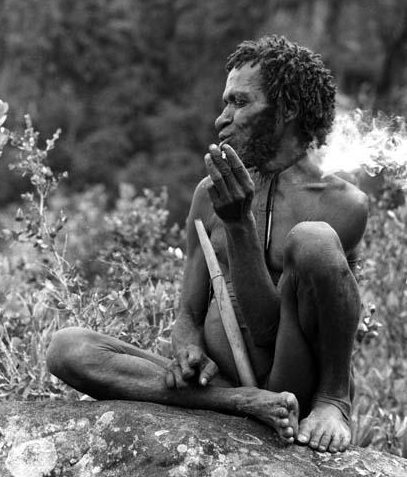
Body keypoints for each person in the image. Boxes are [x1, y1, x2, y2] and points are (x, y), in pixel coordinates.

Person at [46, 35, 368, 454]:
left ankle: (333, 402)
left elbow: (266, 328)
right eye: (225, 104)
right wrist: (187, 346)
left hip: (292, 384)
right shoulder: (209, 193)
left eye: (240, 103)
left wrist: (239, 226)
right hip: (220, 385)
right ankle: (238, 404)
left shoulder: (343, 203)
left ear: (287, 109)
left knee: (314, 240)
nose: (222, 119)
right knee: (67, 347)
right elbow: (188, 312)